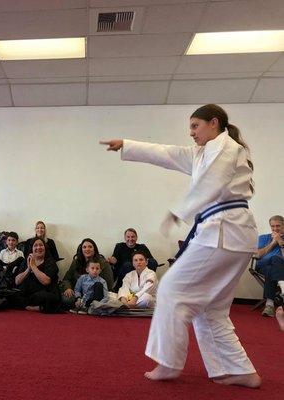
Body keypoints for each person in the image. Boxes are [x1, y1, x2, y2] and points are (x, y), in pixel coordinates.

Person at [101, 103, 261, 388]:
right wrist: (127, 144)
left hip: (222, 231)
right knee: (210, 308)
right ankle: (239, 369)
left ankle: (168, 362)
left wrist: (181, 209)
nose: (191, 133)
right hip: (232, 234)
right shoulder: (202, 154)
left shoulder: (226, 148)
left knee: (172, 288)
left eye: (195, 126)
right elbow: (165, 153)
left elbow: (215, 181)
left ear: (214, 123)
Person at [10, 237, 61, 313]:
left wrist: (33, 266)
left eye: (41, 245)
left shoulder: (50, 261)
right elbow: (17, 281)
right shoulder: (26, 261)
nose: (38, 247)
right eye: (35, 246)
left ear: (45, 248)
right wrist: (28, 269)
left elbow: (46, 281)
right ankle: (33, 307)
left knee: (50, 298)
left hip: (43, 291)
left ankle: (29, 306)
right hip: (28, 292)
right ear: (32, 249)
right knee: (11, 295)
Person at [60, 238, 114, 309]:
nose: (87, 249)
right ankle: (81, 305)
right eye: (84, 247)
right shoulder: (76, 262)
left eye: (90, 247)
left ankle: (88, 306)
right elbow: (67, 278)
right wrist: (68, 288)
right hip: (78, 292)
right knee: (66, 299)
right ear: (81, 249)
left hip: (96, 294)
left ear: (94, 249)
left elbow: (109, 284)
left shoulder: (103, 263)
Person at [255, 215, 284, 317]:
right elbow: (258, 255)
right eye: (273, 226)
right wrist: (273, 243)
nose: (275, 228)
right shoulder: (263, 238)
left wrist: (280, 242)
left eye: (278, 226)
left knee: (273, 264)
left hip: (280, 268)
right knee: (273, 260)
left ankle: (270, 305)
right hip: (262, 266)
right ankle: (282, 287)